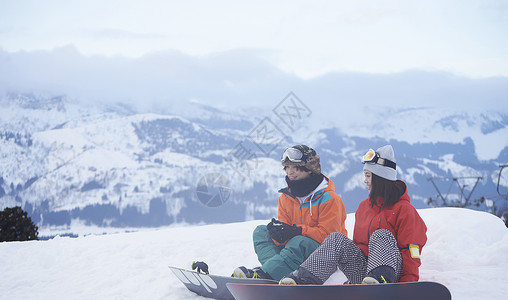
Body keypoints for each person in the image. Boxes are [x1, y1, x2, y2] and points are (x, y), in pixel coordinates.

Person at [280, 145, 427, 285]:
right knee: (336, 238)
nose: (365, 181)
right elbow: (358, 248)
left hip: (392, 276)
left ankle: (379, 280)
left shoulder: (404, 210)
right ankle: (304, 280)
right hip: (365, 275)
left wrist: (408, 285)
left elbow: (411, 252)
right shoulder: (364, 208)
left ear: (380, 178)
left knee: (381, 235)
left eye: (368, 176)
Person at [232, 145, 348, 281]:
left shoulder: (329, 199)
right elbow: (287, 237)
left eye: (295, 167)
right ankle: (275, 272)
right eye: (287, 167)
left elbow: (331, 239)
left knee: (299, 241)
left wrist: (297, 231)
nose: (290, 172)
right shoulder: (286, 197)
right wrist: (279, 233)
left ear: (309, 169)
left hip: (325, 256)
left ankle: (267, 273)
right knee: (261, 232)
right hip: (296, 252)